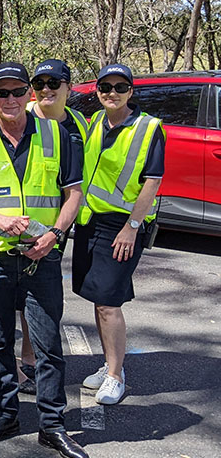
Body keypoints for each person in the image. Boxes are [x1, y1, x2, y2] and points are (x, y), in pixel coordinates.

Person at [0, 62, 91, 458]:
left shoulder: (57, 136)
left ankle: (52, 425)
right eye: (2, 92)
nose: (10, 99)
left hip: (41, 258)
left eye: (18, 92)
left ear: (29, 95)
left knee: (48, 346)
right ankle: (7, 415)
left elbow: (74, 193)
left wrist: (55, 235)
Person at [72, 63, 165, 406]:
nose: (112, 93)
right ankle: (110, 363)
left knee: (110, 303)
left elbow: (152, 181)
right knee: (98, 300)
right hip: (90, 222)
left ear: (131, 91)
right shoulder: (95, 121)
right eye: (105, 87)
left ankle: (115, 376)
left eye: (120, 87)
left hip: (122, 226)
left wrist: (132, 227)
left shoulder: (147, 128)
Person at [15, 59, 90, 395]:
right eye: (40, 83)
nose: (46, 89)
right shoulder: (21, 115)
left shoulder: (79, 124)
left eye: (54, 83)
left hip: (60, 222)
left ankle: (39, 362)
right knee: (20, 294)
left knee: (44, 295)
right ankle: (26, 358)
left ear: (68, 88)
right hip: (21, 224)